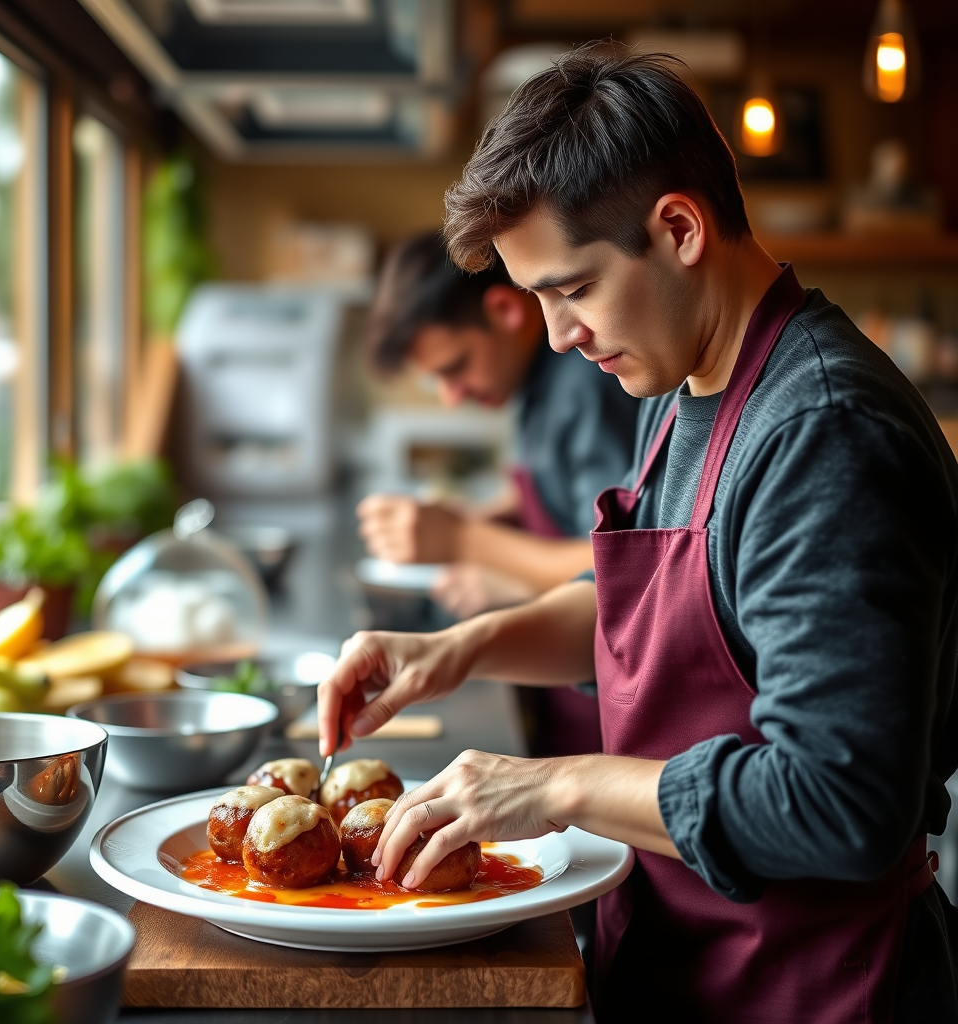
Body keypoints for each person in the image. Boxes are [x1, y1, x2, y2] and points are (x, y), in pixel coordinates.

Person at [320, 44, 958, 1023]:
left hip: (812, 982)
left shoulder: (823, 433)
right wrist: (455, 650)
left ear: (677, 229)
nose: (555, 334)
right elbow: (657, 614)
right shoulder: (686, 382)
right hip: (686, 952)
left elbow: (838, 803)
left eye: (570, 288)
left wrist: (556, 785)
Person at [357, 231, 640, 623]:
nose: (450, 398)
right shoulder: (532, 376)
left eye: (455, 368)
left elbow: (623, 562)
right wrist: (472, 518)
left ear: (505, 311)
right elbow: (557, 489)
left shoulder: (585, 386)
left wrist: (461, 540)